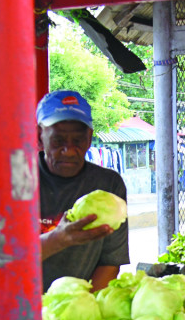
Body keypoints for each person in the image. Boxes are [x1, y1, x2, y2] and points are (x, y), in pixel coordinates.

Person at [37, 90, 129, 292]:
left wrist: (82, 307)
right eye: (58, 140)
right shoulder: (17, 182)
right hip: (21, 307)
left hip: (78, 307)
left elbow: (110, 263)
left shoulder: (109, 185)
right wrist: (57, 239)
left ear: (89, 138)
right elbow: (1, 258)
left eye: (77, 141)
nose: (68, 150)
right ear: (39, 136)